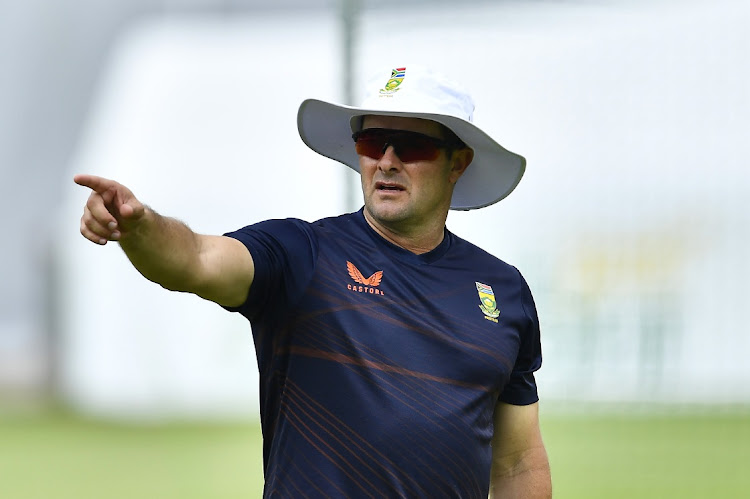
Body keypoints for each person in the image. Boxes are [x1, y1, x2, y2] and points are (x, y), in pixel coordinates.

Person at [75, 65, 551, 498]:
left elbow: (517, 463)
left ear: (458, 163)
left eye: (411, 146)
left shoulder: (502, 289)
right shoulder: (302, 253)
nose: (385, 161)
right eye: (371, 142)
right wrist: (139, 227)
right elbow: (195, 258)